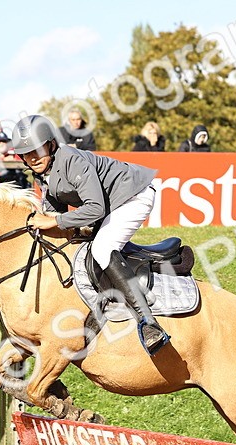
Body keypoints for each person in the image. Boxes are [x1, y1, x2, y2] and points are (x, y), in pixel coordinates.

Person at [9, 114, 169, 355]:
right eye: (26, 154)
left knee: (102, 249)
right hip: (112, 204)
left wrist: (55, 220)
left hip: (134, 195)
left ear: (51, 144)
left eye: (37, 150)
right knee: (82, 248)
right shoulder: (43, 173)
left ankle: (149, 324)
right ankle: (103, 306)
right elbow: (54, 216)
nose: (32, 158)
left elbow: (95, 208)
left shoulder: (71, 160)